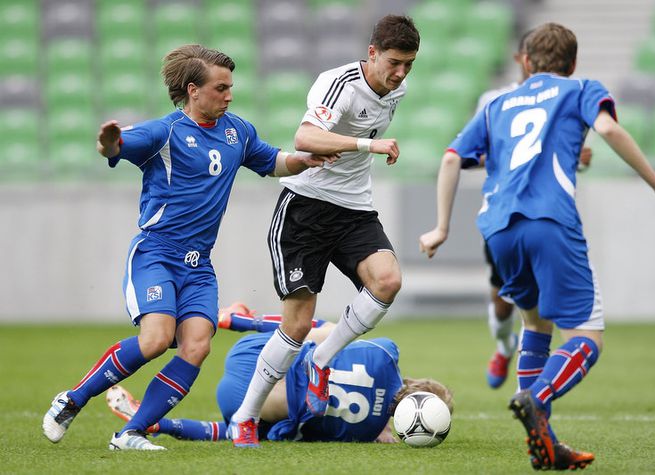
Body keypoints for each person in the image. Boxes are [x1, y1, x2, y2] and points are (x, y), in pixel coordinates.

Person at [419, 23, 655, 471]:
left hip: (499, 229)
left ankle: (545, 444)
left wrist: (441, 228)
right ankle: (537, 397)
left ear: (525, 61)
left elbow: (451, 158)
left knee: (535, 326)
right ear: (573, 63)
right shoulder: (581, 88)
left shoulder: (498, 103)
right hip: (550, 222)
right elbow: (609, 130)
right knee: (588, 337)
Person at [41, 44, 335, 451]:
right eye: (221, 88)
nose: (229, 95)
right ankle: (71, 400)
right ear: (193, 90)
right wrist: (108, 143)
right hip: (156, 253)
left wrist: (307, 159)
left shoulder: (238, 131)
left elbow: (275, 162)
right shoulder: (165, 132)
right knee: (156, 339)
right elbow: (115, 147)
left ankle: (130, 433)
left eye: (231, 87)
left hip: (199, 265)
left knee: (197, 345)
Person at [228, 15, 421, 447]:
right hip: (305, 211)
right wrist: (369, 145)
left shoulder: (397, 89)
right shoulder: (339, 83)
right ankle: (245, 416)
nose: (401, 73)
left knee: (387, 280)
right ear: (372, 52)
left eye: (409, 64)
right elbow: (306, 137)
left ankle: (323, 360)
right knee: (296, 324)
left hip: (353, 209)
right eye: (394, 62)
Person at [105, 301, 454, 444]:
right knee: (275, 428)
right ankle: (161, 425)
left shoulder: (387, 353)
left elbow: (344, 338)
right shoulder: (366, 432)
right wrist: (380, 429)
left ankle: (238, 320)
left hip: (255, 352)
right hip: (239, 403)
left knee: (327, 331)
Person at [472, 31, 592, 390]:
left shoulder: (564, 98)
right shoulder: (494, 100)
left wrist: (581, 160)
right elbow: (473, 153)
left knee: (539, 312)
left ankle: (535, 390)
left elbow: (562, 153)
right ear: (521, 58)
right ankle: (504, 348)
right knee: (503, 305)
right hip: (503, 214)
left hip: (546, 216)